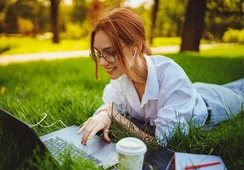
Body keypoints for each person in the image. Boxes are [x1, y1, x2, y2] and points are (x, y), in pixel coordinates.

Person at [77, 8, 244, 146]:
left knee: (240, 92)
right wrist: (103, 113)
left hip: (213, 105)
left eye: (111, 53)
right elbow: (108, 106)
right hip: (188, 94)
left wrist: (116, 117)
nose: (103, 63)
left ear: (136, 46)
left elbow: (159, 144)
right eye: (99, 54)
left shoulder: (171, 77)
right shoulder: (121, 78)